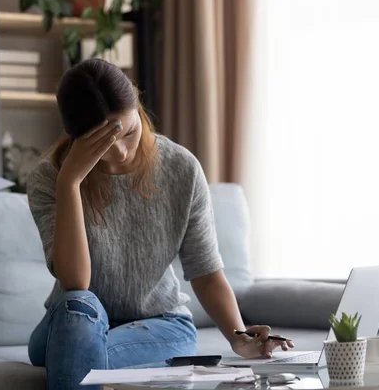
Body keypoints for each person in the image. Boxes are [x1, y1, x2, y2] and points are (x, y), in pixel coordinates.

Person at [26, 58, 294, 390]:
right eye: (105, 142)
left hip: (161, 325)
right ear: (76, 137)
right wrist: (70, 183)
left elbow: (207, 274)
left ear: (138, 108)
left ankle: (71, 362)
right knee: (77, 310)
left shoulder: (182, 169)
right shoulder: (48, 178)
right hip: (73, 321)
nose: (122, 152)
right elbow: (76, 281)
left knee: (73, 355)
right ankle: (74, 357)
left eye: (129, 133)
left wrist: (240, 337)